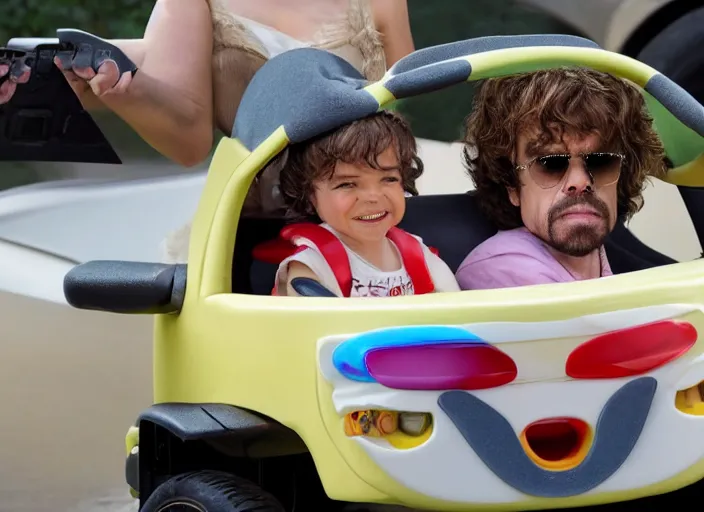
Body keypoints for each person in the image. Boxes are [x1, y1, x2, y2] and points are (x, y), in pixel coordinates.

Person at [0, 0, 415, 168]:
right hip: (258, 221)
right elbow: (187, 137)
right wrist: (123, 90)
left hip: (374, 205)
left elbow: (405, 108)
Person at [455, 67, 668, 290]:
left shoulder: (613, 262)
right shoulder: (500, 270)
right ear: (512, 184)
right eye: (551, 163)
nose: (580, 181)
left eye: (601, 161)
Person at [271, 110, 460, 297]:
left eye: (389, 179)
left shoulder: (419, 255)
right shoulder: (312, 265)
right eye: (347, 184)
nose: (373, 196)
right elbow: (316, 322)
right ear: (309, 195)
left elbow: (459, 310)